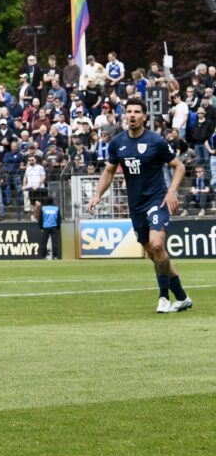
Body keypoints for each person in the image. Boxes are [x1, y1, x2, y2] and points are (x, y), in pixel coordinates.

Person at [88, 98, 192, 313]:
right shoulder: (117, 143)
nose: (132, 115)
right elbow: (108, 171)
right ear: (124, 115)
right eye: (129, 112)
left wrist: (172, 192)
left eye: (137, 112)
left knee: (156, 244)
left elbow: (179, 166)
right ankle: (181, 297)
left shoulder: (156, 141)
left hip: (158, 200)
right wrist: (98, 194)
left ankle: (164, 297)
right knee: (155, 253)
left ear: (144, 116)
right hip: (136, 205)